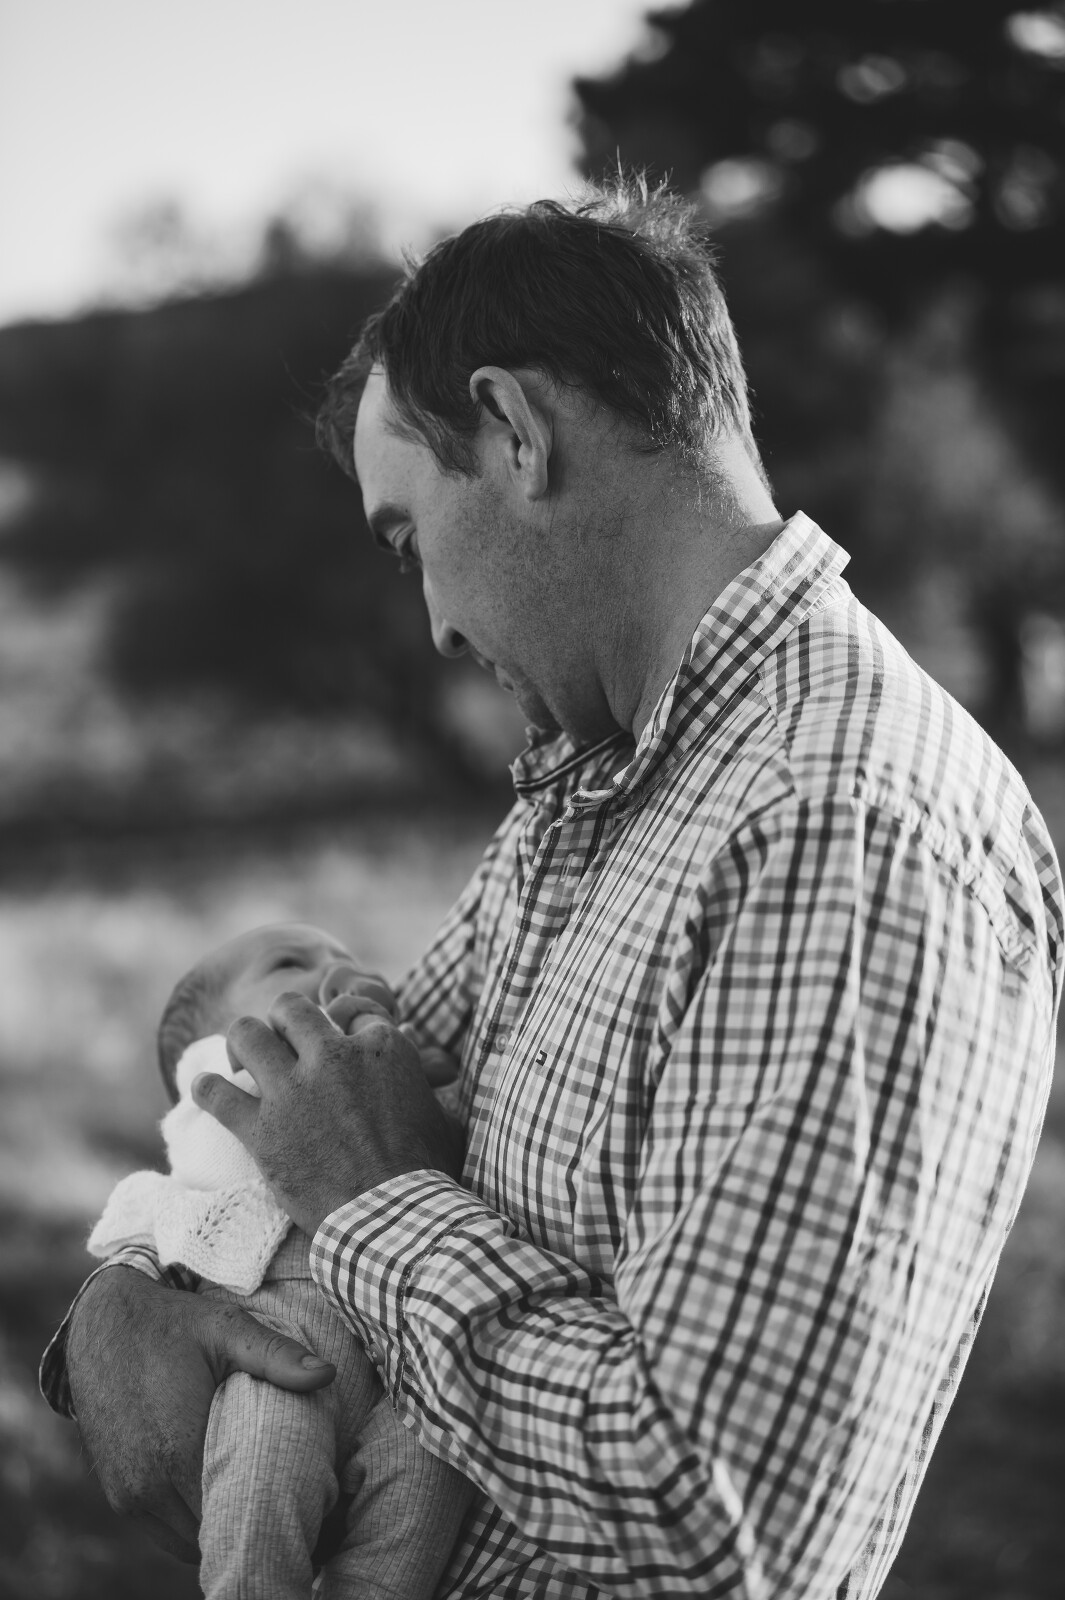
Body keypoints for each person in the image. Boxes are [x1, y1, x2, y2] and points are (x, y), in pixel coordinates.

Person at [43, 177, 1063, 1599]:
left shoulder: (843, 822)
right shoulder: (596, 783)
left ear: (515, 433)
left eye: (409, 539)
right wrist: (113, 1312)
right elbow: (312, 1096)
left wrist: (376, 1204)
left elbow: (715, 1521)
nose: (434, 623)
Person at [85, 921, 470, 1599]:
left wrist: (414, 1073)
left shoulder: (380, 1068)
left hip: (412, 1366)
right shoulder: (214, 1079)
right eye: (291, 962)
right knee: (262, 1479)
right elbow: (255, 1096)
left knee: (427, 1493)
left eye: (346, 957)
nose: (333, 969)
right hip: (277, 1344)